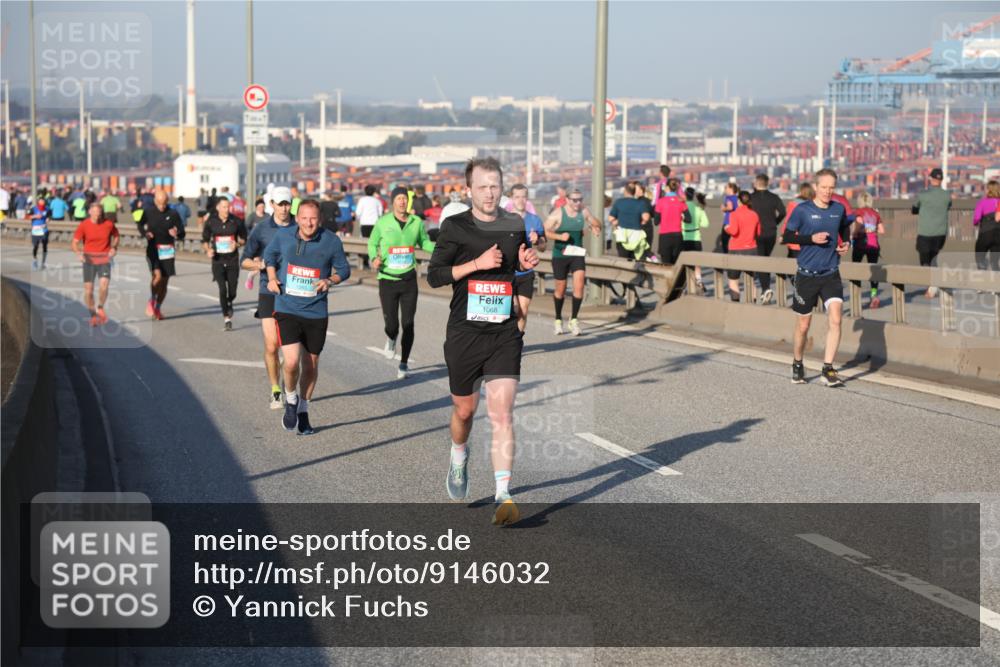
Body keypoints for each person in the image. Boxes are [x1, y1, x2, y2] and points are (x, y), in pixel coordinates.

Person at [426, 157, 539, 525]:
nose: (489, 193)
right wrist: (476, 263)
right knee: (464, 411)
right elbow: (435, 276)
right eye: (482, 187)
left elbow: (518, 265)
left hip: (503, 332)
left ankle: (503, 494)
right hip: (465, 333)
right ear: (469, 190)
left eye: (495, 186)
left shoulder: (514, 223)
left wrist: (525, 262)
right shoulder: (455, 226)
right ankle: (459, 454)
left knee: (502, 414)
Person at [263, 199, 351, 435]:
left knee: (310, 365)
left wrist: (330, 280)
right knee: (291, 362)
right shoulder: (284, 236)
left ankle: (303, 410)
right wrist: (271, 277)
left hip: (316, 311)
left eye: (313, 218)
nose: (309, 223)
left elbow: (344, 270)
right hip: (287, 308)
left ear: (319, 219)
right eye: (304, 218)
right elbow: (269, 256)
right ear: (297, 218)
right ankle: (291, 398)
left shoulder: (331, 241)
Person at [782, 168, 851, 387]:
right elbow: (786, 236)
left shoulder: (838, 209)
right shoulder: (802, 210)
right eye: (824, 187)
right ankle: (797, 362)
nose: (828, 192)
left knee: (836, 319)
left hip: (831, 273)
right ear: (815, 187)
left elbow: (845, 227)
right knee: (804, 325)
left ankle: (828, 369)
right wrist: (810, 239)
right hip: (806, 275)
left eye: (832, 188)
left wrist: (846, 243)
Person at [369, 186, 436, 379]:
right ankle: (391, 338)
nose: (402, 201)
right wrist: (374, 258)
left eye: (405, 198)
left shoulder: (416, 222)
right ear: (393, 201)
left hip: (408, 280)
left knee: (408, 323)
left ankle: (404, 363)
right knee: (392, 325)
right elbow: (372, 243)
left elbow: (424, 242)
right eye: (398, 198)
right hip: (387, 279)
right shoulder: (383, 222)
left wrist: (440, 248)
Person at [241, 186, 296, 409]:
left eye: (287, 204)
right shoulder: (261, 229)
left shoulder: (300, 226)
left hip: (294, 292)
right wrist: (261, 264)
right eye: (279, 204)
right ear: (272, 204)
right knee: (272, 346)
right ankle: (275, 390)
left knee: (291, 351)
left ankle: (289, 385)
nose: (283, 208)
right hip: (268, 291)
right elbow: (244, 260)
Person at [544, 188, 602, 336]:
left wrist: (595, 227)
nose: (578, 203)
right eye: (575, 200)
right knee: (560, 289)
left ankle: (574, 320)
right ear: (567, 200)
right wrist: (559, 237)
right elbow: (544, 231)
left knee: (579, 285)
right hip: (560, 255)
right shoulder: (558, 213)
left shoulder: (584, 211)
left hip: (577, 254)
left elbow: (597, 223)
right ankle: (558, 319)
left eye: (580, 200)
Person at [137, 190, 183, 320]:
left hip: (167, 250)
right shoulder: (148, 212)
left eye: (164, 203)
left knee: (164, 282)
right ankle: (152, 300)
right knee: (157, 276)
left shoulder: (173, 213)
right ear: (155, 201)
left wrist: (177, 233)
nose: (162, 206)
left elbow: (182, 231)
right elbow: (140, 225)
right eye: (159, 203)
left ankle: (157, 307)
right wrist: (145, 234)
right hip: (153, 249)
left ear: (167, 201)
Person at [202, 197, 247, 331]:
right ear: (218, 207)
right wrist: (208, 250)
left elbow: (244, 238)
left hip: (232, 260)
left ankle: (229, 301)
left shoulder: (236, 221)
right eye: (224, 207)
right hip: (218, 260)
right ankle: (226, 318)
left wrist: (237, 244)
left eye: (228, 207)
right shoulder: (211, 221)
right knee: (222, 289)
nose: (227, 210)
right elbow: (205, 240)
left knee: (232, 291)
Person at [72, 202, 120, 327]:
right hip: (89, 260)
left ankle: (100, 308)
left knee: (104, 285)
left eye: (99, 214)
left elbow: (116, 236)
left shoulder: (108, 224)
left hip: (104, 259)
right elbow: (75, 242)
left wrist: (114, 247)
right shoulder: (84, 225)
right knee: (89, 291)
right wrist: (78, 253)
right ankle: (93, 315)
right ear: (90, 212)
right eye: (94, 214)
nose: (97, 216)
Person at [508, 183, 546, 332]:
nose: (520, 200)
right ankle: (507, 339)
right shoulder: (503, 219)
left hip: (526, 273)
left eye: (523, 197)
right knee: (513, 308)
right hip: (508, 272)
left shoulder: (535, 220)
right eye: (517, 197)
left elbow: (543, 247)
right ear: (511, 198)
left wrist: (538, 240)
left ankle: (517, 341)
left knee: (523, 311)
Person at [912, 167, 952, 298]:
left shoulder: (923, 194)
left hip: (925, 232)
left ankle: (932, 286)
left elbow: (914, 208)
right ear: (941, 180)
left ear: (931, 179)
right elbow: (948, 206)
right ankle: (934, 285)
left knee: (925, 260)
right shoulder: (947, 195)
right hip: (940, 233)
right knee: (934, 257)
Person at [749, 174, 786, 304]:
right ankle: (765, 288)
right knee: (765, 258)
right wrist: (775, 222)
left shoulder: (751, 198)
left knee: (761, 260)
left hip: (757, 232)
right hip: (771, 232)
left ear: (756, 183)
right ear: (767, 183)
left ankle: (766, 289)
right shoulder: (774, 197)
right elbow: (783, 212)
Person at [723, 191, 760, 301]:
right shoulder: (754, 214)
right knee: (751, 280)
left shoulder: (734, 214)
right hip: (751, 249)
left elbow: (734, 231)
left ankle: (736, 304)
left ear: (739, 201)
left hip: (736, 249)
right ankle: (753, 303)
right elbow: (758, 233)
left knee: (733, 279)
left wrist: (726, 228)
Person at [851, 191, 885, 308]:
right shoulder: (875, 213)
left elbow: (858, 227)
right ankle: (874, 295)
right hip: (874, 245)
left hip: (860, 245)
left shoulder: (858, 212)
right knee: (873, 272)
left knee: (855, 270)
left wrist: (853, 234)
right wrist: (872, 230)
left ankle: (856, 296)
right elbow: (882, 230)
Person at [609, 181, 652, 261]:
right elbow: (646, 217)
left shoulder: (619, 202)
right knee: (636, 259)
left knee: (623, 260)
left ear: (625, 191)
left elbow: (611, 218)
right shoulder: (640, 203)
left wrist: (618, 222)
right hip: (636, 235)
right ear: (634, 192)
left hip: (622, 235)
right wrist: (641, 223)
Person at [654, 177, 689, 265]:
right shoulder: (681, 201)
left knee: (666, 265)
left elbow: (656, 222)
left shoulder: (660, 202)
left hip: (665, 237)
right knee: (677, 264)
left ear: (667, 187)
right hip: (677, 236)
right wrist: (681, 218)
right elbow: (689, 219)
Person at [682, 188, 711, 292]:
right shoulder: (699, 208)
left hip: (684, 237)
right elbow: (705, 224)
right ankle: (699, 281)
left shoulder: (682, 207)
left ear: (685, 195)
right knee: (696, 263)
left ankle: (684, 285)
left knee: (684, 263)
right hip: (696, 238)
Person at [781, 183, 815, 259]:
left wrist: (784, 234)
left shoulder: (793, 204)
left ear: (801, 191)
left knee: (792, 261)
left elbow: (787, 221)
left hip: (793, 238)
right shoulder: (814, 205)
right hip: (809, 240)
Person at [973, 180, 1000, 272]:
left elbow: (976, 219)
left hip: (986, 233)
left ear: (989, 190)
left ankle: (982, 275)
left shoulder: (982, 202)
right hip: (998, 235)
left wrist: (976, 223)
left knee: (980, 257)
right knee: (995, 262)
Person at [715, 182, 739, 254]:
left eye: (726, 187)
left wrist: (723, 208)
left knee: (725, 242)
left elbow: (730, 207)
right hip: (736, 222)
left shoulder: (728, 197)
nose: (725, 189)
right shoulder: (737, 198)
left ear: (731, 189)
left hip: (728, 223)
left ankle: (727, 257)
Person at [29, 198, 50, 270]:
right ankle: (35, 260)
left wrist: (48, 219)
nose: (42, 203)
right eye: (41, 202)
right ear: (38, 203)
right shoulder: (33, 209)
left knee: (45, 246)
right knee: (35, 246)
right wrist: (35, 216)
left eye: (43, 202)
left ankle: (43, 263)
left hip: (44, 230)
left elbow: (49, 216)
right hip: (35, 230)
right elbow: (28, 216)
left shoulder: (47, 209)